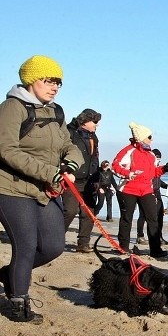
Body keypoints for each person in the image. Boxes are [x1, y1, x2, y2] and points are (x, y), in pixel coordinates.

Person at [0, 55, 84, 323]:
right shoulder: (12, 108)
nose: (55, 86)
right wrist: (50, 172)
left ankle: (8, 274)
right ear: (31, 80)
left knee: (53, 247)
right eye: (48, 80)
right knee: (26, 246)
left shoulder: (56, 111)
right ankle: (18, 302)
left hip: (46, 189)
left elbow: (68, 144)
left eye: (58, 82)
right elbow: (6, 150)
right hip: (11, 189)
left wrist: (71, 162)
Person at [112, 123, 168, 258]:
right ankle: (123, 248)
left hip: (146, 190)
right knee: (126, 219)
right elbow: (115, 166)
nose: (152, 139)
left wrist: (164, 169)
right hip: (128, 189)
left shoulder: (150, 154)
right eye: (149, 136)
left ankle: (155, 250)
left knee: (153, 219)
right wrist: (128, 174)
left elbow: (153, 172)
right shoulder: (128, 151)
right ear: (141, 137)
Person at [62, 108, 102, 253]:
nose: (96, 125)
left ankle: (83, 243)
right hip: (72, 179)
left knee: (88, 213)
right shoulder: (69, 132)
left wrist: (98, 178)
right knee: (70, 211)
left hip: (90, 180)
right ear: (85, 121)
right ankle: (56, 238)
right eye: (95, 122)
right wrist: (65, 169)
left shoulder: (94, 137)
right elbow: (61, 152)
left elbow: (95, 158)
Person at [136, 148, 168, 246]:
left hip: (157, 193)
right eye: (156, 157)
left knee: (159, 215)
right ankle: (140, 236)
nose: (158, 159)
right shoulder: (147, 164)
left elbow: (157, 179)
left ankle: (159, 236)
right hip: (146, 192)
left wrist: (165, 185)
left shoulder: (158, 166)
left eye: (159, 158)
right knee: (143, 215)